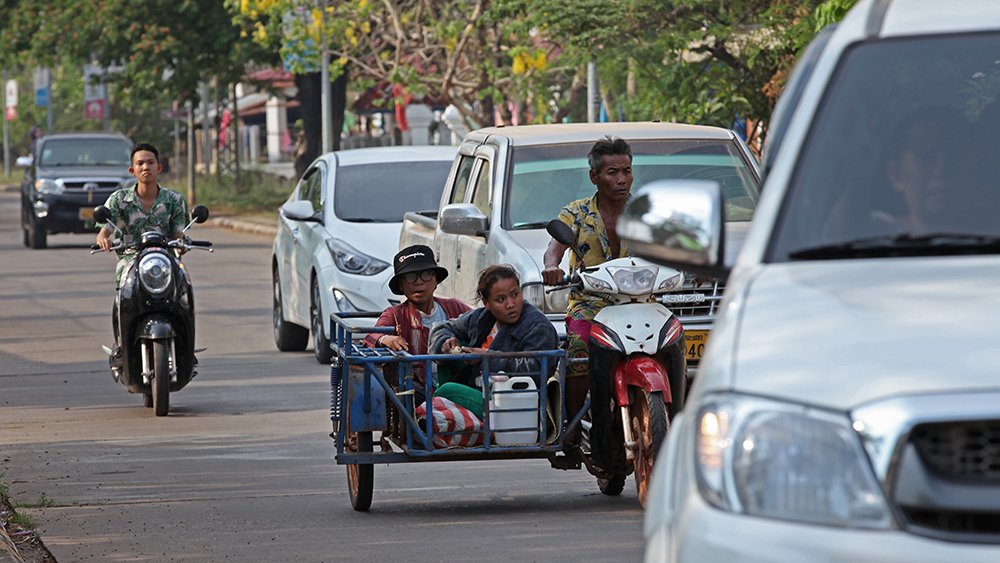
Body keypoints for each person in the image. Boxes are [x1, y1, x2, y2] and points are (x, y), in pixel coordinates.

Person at [540, 136, 633, 451]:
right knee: (578, 349)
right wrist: (551, 268)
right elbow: (553, 250)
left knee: (676, 342)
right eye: (612, 172)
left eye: (627, 171)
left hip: (640, 304)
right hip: (590, 305)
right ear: (594, 177)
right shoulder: (577, 213)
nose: (621, 179)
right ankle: (573, 424)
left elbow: (675, 246)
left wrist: (698, 266)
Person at [96, 143, 191, 370]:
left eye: (150, 162)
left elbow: (179, 232)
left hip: (165, 260)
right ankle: (121, 344)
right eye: (140, 163)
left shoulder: (174, 200)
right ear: (132, 170)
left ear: (159, 167)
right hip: (131, 259)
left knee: (185, 287)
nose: (145, 167)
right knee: (122, 295)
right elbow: (104, 228)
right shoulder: (119, 199)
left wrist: (182, 244)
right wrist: (103, 237)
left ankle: (187, 347)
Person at [363, 245, 471, 401]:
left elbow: (481, 323)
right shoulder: (395, 314)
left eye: (426, 274)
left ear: (435, 281)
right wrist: (387, 339)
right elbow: (373, 335)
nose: (419, 282)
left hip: (458, 384)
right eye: (410, 277)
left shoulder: (455, 307)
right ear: (401, 285)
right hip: (419, 392)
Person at [429, 264, 558, 384]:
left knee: (447, 392)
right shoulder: (481, 318)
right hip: (479, 388)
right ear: (487, 303)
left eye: (515, 295)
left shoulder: (538, 325)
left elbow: (537, 369)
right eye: (501, 299)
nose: (511, 304)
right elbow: (442, 328)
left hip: (509, 399)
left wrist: (488, 359)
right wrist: (445, 342)